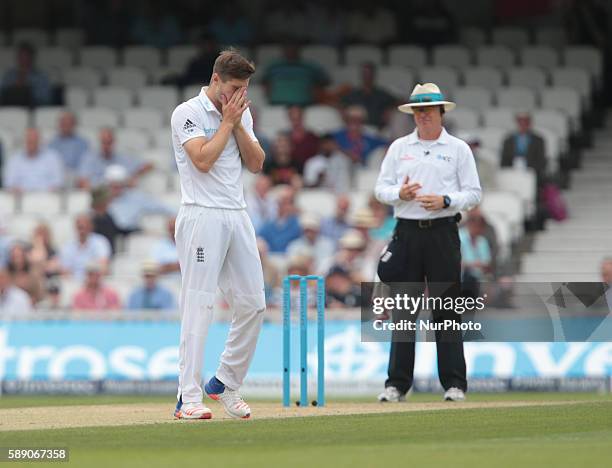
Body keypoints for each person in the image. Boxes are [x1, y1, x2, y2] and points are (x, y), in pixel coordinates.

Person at [170, 49, 266, 420]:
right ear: (215, 81)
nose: (239, 95)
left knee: (254, 303)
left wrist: (238, 122)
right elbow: (203, 161)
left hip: (237, 214)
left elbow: (257, 164)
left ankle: (224, 382)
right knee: (199, 305)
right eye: (233, 87)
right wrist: (227, 122)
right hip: (200, 215)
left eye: (244, 89)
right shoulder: (187, 113)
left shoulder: (241, 113)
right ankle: (187, 397)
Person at [374, 82, 482, 403]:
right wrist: (400, 194)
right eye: (418, 110)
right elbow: (381, 189)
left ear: (440, 112)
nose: (423, 116)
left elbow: (474, 194)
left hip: (442, 232)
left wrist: (446, 200)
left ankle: (454, 384)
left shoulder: (458, 149)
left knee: (446, 309)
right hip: (406, 231)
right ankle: (396, 385)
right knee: (403, 311)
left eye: (428, 110)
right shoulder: (398, 148)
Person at [105, 165, 175, 234]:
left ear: (124, 183)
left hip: (130, 233)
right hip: (110, 233)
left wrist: (176, 213)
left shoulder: (136, 197)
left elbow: (160, 207)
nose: (116, 188)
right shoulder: (103, 200)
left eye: (119, 184)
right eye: (113, 185)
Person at [77, 128, 152, 189]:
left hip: (121, 196)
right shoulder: (89, 159)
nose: (106, 146)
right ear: (99, 142)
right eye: (104, 142)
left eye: (109, 142)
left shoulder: (124, 158)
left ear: (114, 142)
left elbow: (149, 165)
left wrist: (134, 176)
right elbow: (82, 182)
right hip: (100, 197)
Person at [262, 42, 330, 106]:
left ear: (298, 50)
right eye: (288, 48)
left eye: (293, 48)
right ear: (283, 50)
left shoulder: (310, 66)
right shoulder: (274, 66)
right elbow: (264, 82)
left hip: (305, 104)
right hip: (276, 103)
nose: (290, 50)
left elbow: (324, 81)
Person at [2, 128, 64, 192]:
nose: (32, 143)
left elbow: (58, 183)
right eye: (29, 140)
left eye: (35, 140)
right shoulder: (14, 160)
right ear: (24, 141)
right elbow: (9, 184)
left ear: (40, 141)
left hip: (47, 198)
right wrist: (14, 189)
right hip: (21, 199)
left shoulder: (53, 157)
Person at [342, 63, 397, 129]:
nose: (367, 76)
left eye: (369, 73)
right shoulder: (352, 94)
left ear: (374, 75)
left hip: (378, 129)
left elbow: (397, 103)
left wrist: (390, 110)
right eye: (365, 73)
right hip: (357, 128)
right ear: (361, 75)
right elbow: (342, 105)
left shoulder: (382, 94)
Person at [500, 111, 547, 188]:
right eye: (520, 122)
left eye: (525, 122)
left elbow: (541, 161)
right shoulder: (508, 140)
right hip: (512, 173)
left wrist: (527, 168)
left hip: (532, 173)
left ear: (529, 123)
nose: (523, 125)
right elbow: (503, 161)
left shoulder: (538, 140)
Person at [60, 213, 112, 279]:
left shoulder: (100, 242)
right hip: (74, 283)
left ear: (91, 226)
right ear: (75, 227)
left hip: (94, 281)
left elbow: (103, 266)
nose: (82, 229)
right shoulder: (68, 246)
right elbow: (65, 270)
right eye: (79, 227)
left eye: (84, 226)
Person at [0, 42, 52, 106]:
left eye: (26, 56)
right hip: (9, 110)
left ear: (32, 57)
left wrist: (26, 90)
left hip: (32, 110)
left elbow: (46, 100)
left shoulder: (41, 77)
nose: (23, 59)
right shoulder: (9, 76)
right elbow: (2, 95)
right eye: (21, 56)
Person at [257, 185, 302, 253]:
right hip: (270, 258)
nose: (285, 206)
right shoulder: (269, 222)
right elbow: (260, 236)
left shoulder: (298, 222)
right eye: (281, 202)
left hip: (291, 259)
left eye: (289, 202)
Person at [459, 209, 492, 297]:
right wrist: (472, 265)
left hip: (479, 278)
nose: (479, 230)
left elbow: (486, 263)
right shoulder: (459, 238)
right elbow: (456, 263)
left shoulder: (482, 241)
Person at [47, 111, 90, 179]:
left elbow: (86, 164)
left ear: (74, 124)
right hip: (56, 176)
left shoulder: (83, 143)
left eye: (69, 123)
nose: (66, 125)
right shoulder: (52, 143)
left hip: (77, 176)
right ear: (59, 124)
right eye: (64, 123)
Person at [287, 105, 320, 173]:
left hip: (311, 172)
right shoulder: (285, 137)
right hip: (292, 172)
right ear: (289, 118)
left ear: (303, 117)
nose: (296, 122)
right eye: (293, 119)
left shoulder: (313, 137)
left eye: (298, 118)